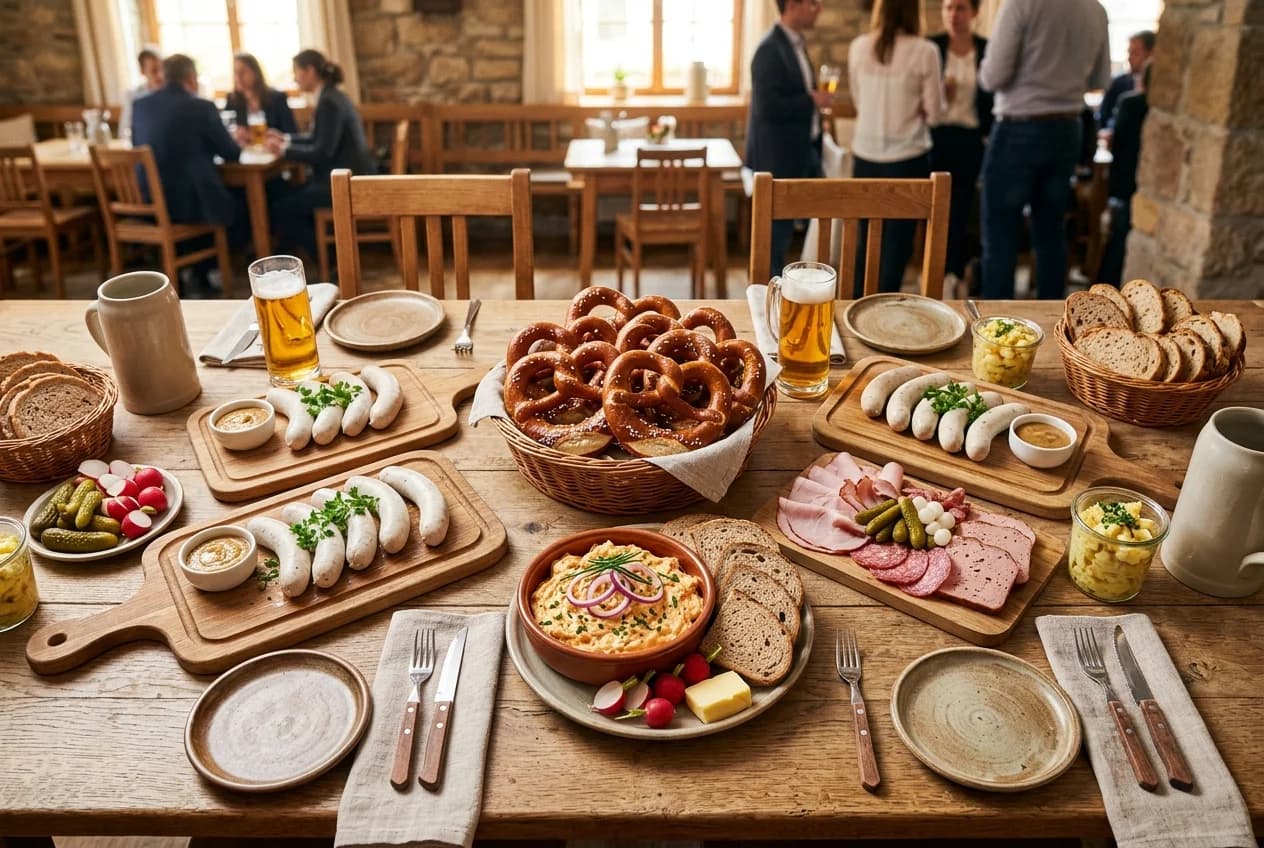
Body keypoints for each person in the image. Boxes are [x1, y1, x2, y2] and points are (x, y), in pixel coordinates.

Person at [977, 0, 1110, 300]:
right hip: (1067, 128)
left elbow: (993, 76)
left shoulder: (1020, 5)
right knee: (1051, 231)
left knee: (999, 236)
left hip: (1019, 127)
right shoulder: (1095, 9)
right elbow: (1100, 80)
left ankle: (996, 326)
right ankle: (1053, 321)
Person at [848, 0, 943, 296]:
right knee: (896, 246)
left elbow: (858, 100)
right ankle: (884, 309)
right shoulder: (925, 51)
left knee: (866, 241)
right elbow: (936, 113)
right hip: (907, 157)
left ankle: (856, 307)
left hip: (865, 155)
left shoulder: (859, 46)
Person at [131, 53, 244, 295]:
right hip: (190, 206)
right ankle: (204, 272)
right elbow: (232, 153)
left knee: (206, 195)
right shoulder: (201, 107)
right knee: (238, 205)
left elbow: (136, 146)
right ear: (191, 78)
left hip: (148, 201)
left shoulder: (140, 106)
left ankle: (190, 271)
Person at [746, 0, 833, 280]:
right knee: (774, 240)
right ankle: (768, 298)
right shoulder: (769, 49)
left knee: (810, 231)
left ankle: (806, 291)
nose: (819, 9)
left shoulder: (796, 43)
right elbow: (766, 107)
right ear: (794, 5)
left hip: (804, 151)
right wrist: (811, 100)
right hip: (778, 158)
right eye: (813, 3)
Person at [265, 48, 376, 269]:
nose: (295, 78)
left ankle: (328, 261)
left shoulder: (329, 102)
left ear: (310, 71)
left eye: (297, 72)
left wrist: (283, 151)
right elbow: (317, 139)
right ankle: (309, 261)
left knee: (281, 208)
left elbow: (323, 151)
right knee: (286, 196)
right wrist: (286, 139)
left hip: (345, 184)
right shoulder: (331, 95)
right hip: (345, 177)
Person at [928, 0, 992, 293]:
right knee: (936, 206)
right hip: (936, 138)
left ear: (975, 13)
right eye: (949, 8)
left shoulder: (986, 48)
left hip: (971, 139)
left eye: (961, 8)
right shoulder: (933, 47)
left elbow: (993, 96)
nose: (954, 14)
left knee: (963, 208)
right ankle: (933, 271)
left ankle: (955, 272)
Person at [1098, 62, 1150, 286]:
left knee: (1118, 238)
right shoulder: (1129, 96)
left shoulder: (1131, 103)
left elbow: (1115, 143)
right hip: (1140, 185)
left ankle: (1105, 284)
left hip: (1124, 182)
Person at [225, 52, 297, 140]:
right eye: (236, 72)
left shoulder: (277, 98)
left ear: (256, 72)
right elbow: (225, 134)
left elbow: (291, 133)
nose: (238, 77)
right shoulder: (232, 99)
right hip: (245, 151)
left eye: (243, 72)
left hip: (273, 150)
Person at [1098, 30, 1155, 133]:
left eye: (1135, 53)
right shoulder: (1117, 83)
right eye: (1129, 52)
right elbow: (1103, 117)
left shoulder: (1160, 89)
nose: (1129, 58)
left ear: (1151, 54)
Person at [119, 47, 163, 140]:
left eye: (162, 69)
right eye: (154, 70)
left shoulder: (173, 94)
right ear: (142, 71)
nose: (160, 75)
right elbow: (124, 130)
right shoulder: (132, 96)